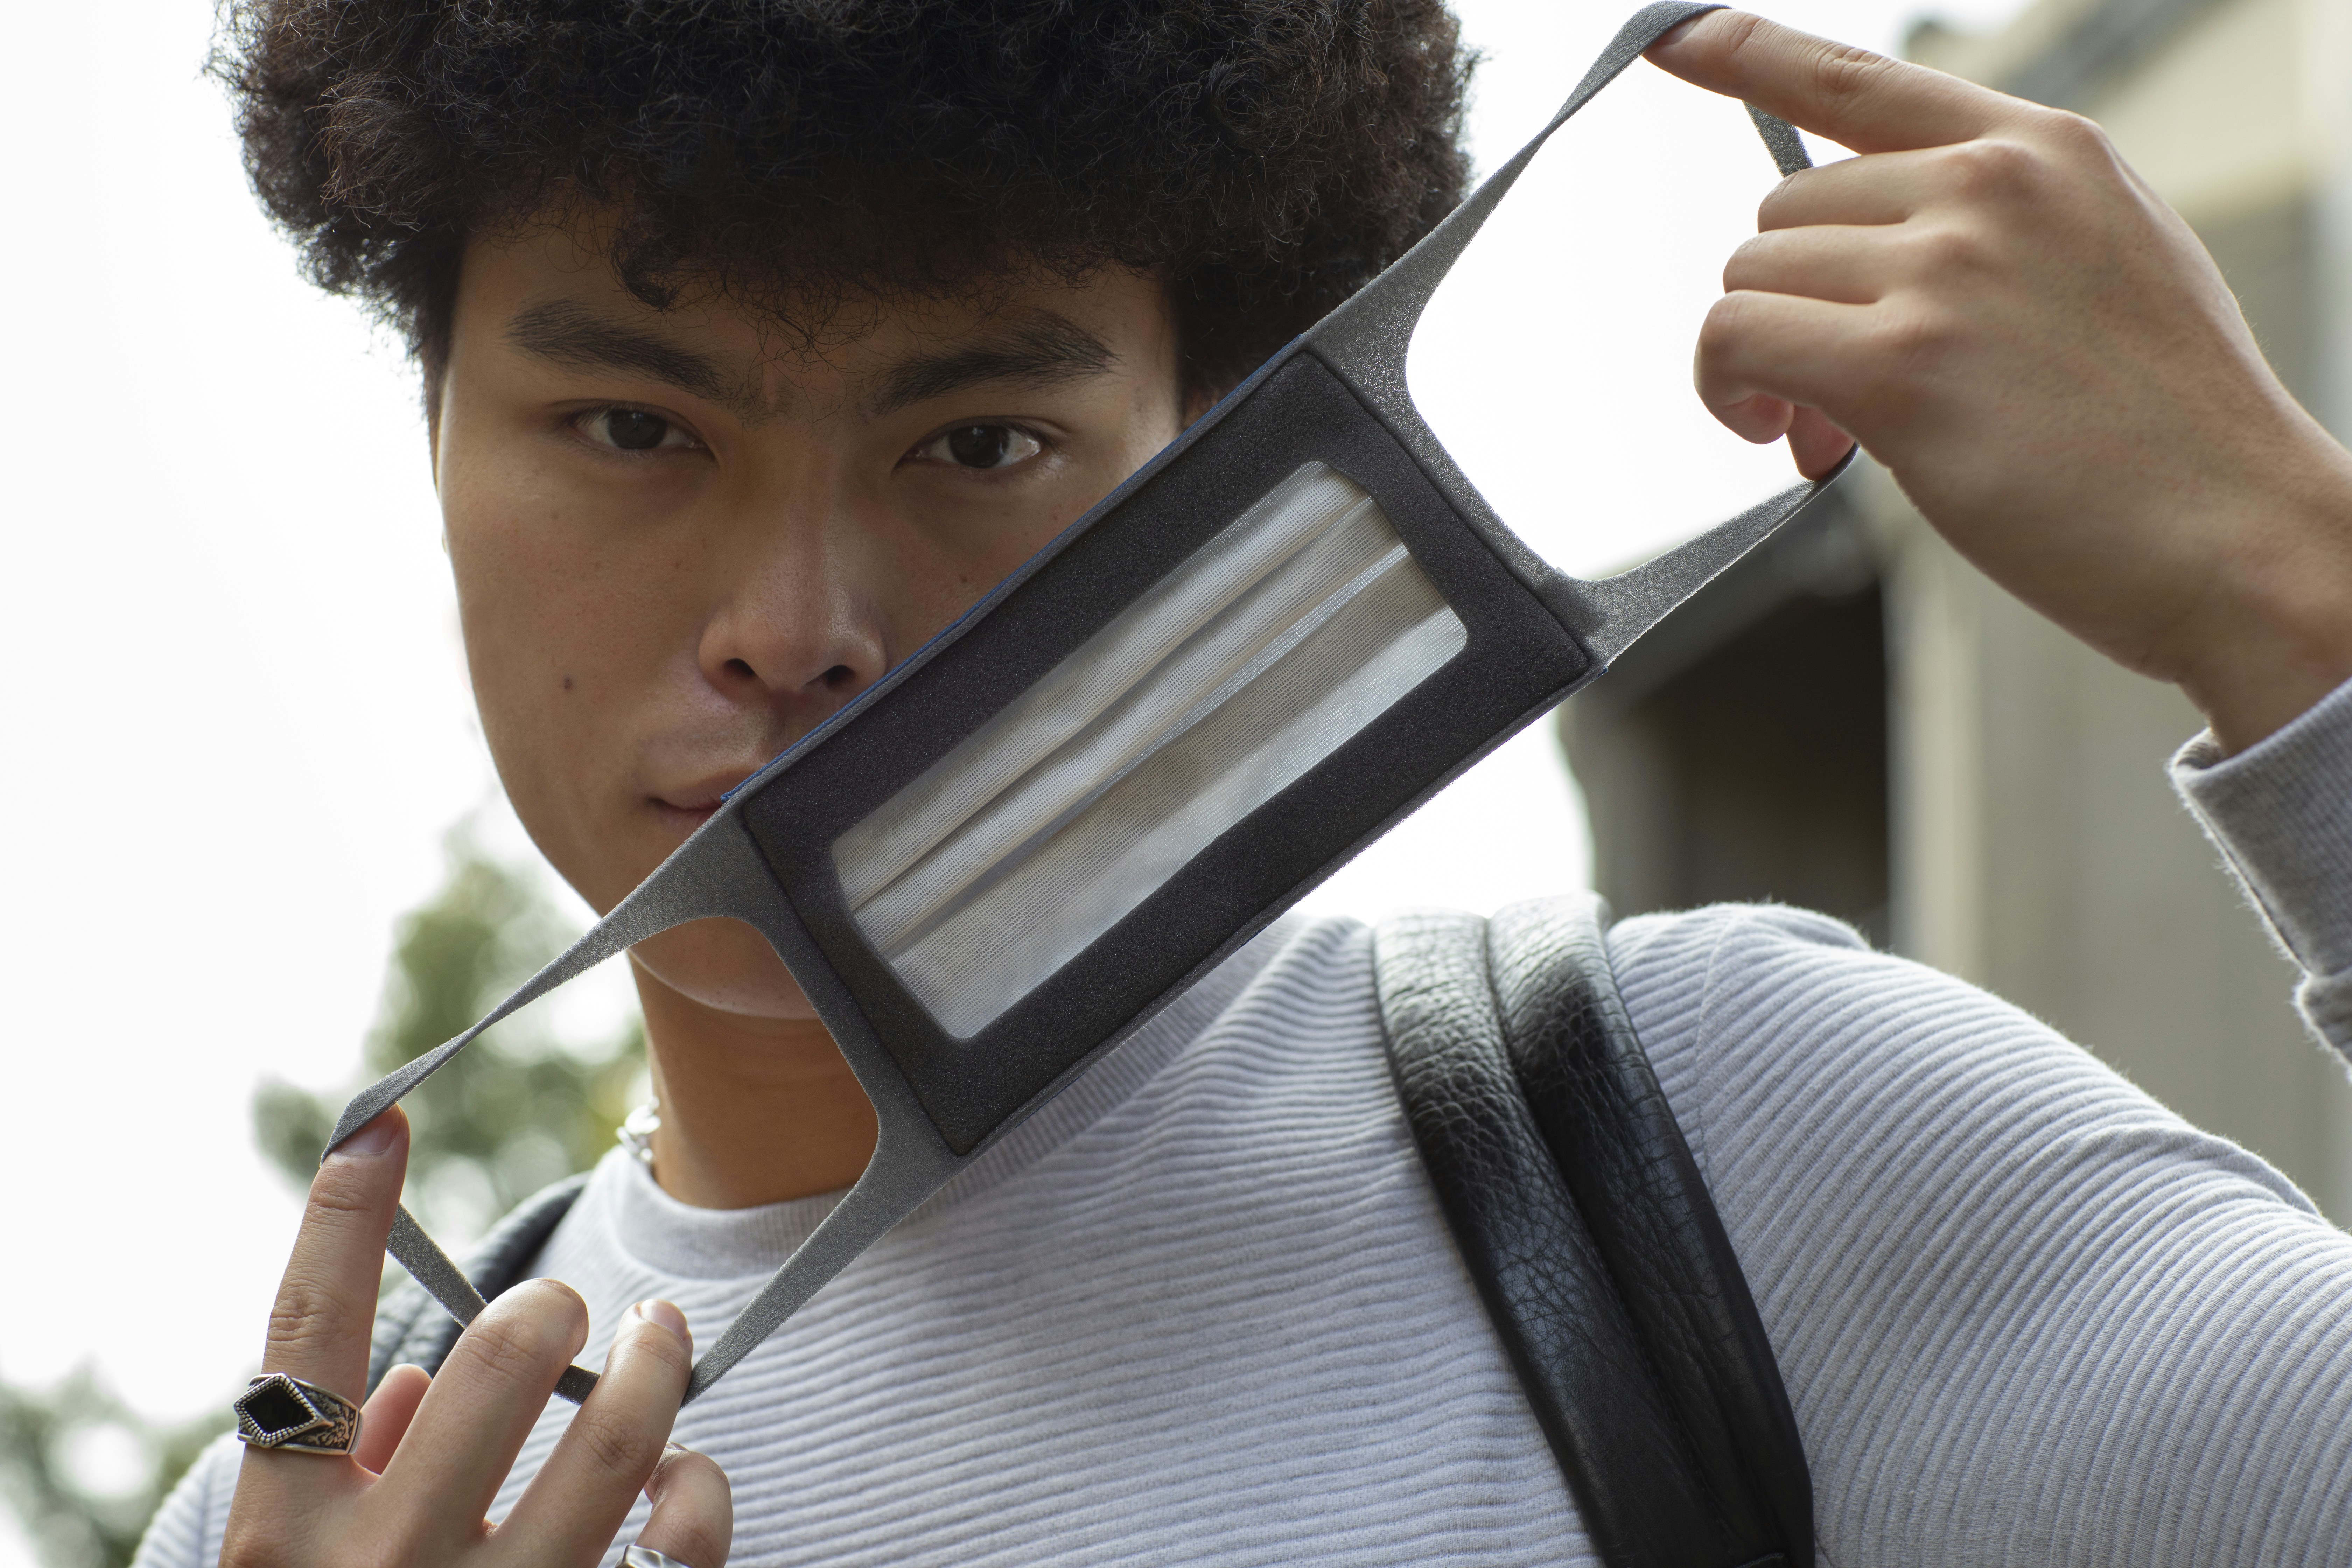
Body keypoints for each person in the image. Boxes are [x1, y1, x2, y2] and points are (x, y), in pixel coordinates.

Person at [144, 3, 2352, 1565]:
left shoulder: (1726, 1141)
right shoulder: (311, 1502)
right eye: (635, 426)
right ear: (432, 430)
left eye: (979, 445)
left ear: (1229, 476)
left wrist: (2301, 598)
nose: (793, 620)